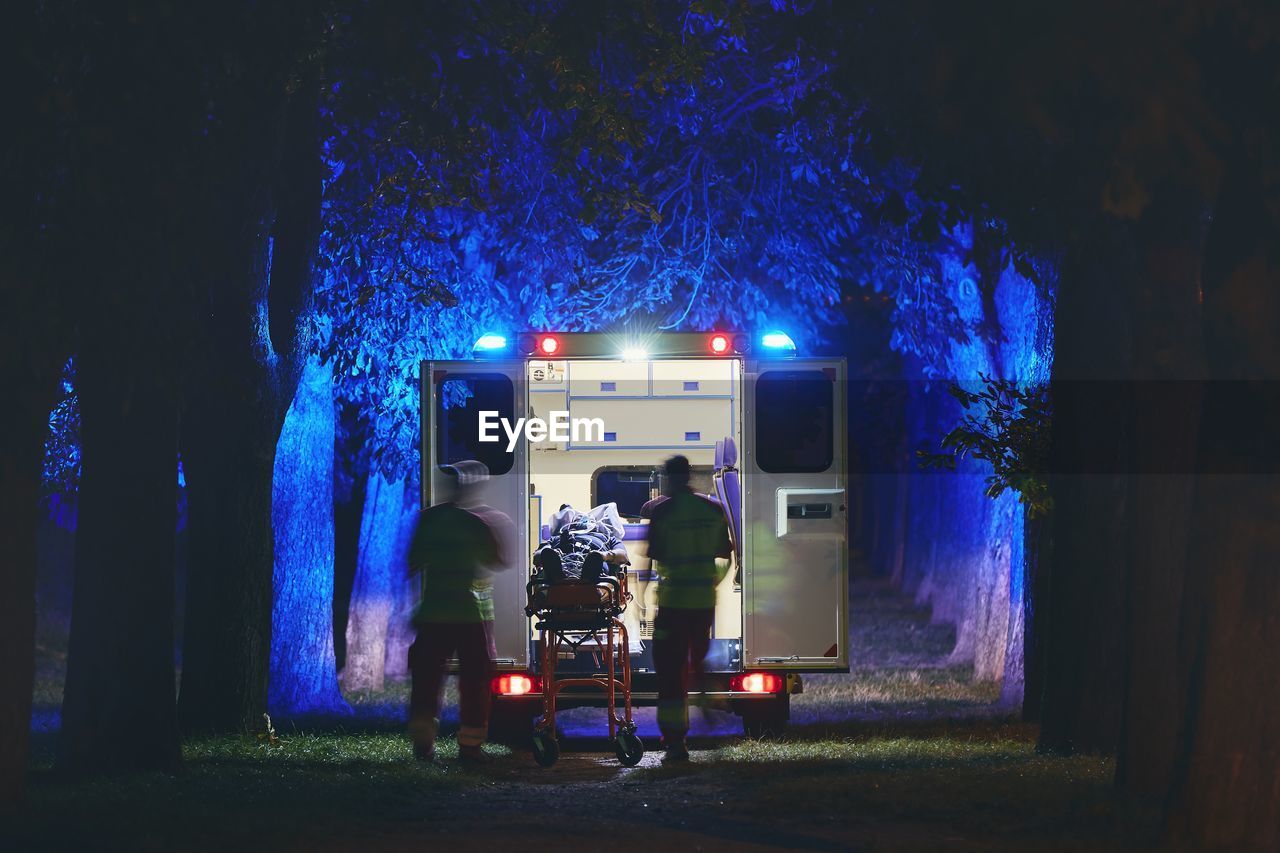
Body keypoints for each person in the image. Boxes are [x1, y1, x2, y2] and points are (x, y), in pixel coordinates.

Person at [406, 460, 512, 763]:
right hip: (470, 613)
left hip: (433, 612)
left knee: (426, 680)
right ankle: (470, 747)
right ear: (471, 488)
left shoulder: (427, 520)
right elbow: (499, 560)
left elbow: (413, 562)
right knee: (475, 682)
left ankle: (423, 745)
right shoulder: (479, 523)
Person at [645, 454, 731, 761]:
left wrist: (644, 593)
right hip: (703, 603)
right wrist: (710, 583)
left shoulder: (662, 512)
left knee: (669, 674)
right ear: (690, 476)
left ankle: (675, 743)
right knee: (697, 656)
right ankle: (707, 688)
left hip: (672, 605)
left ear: (669, 478)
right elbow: (724, 555)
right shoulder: (712, 509)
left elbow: (655, 557)